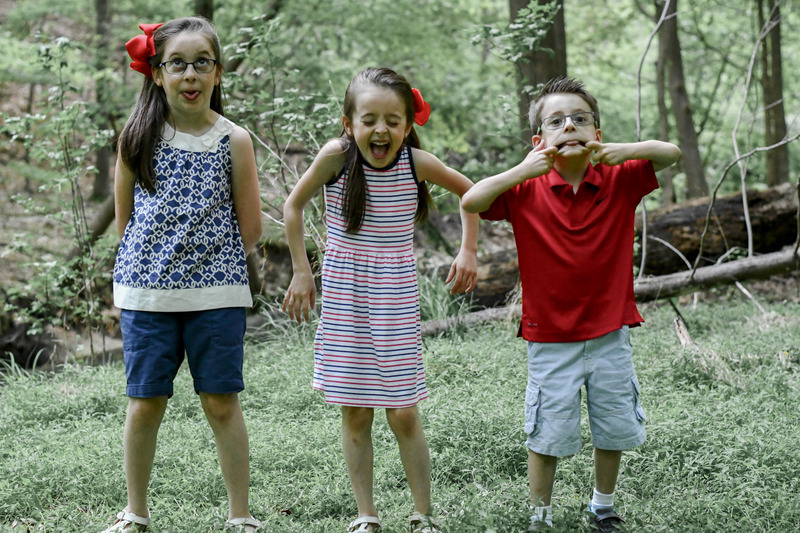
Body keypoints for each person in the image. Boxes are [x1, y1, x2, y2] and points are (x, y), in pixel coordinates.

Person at [461, 76, 680, 532]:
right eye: (556, 121)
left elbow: (670, 153)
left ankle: (603, 506)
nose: (569, 127)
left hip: (609, 331)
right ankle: (540, 517)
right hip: (550, 336)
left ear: (596, 132)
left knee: (612, 426)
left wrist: (625, 150)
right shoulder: (525, 188)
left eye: (580, 119)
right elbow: (472, 199)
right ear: (538, 140)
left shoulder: (620, 178)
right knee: (548, 432)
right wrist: (523, 170)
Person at [282, 67, 478, 533]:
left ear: (407, 126)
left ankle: (422, 514)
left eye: (393, 120)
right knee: (356, 411)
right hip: (346, 296)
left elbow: (471, 192)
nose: (381, 130)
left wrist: (468, 250)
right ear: (349, 122)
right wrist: (302, 271)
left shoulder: (416, 163)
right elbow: (293, 206)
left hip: (394, 297)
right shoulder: (336, 157)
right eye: (369, 119)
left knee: (403, 412)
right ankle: (366, 515)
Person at [104, 17, 263, 533]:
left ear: (218, 73)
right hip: (147, 295)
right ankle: (135, 512)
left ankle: (240, 515)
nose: (190, 75)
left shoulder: (233, 139)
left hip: (216, 293)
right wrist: (154, 265)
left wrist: (208, 260)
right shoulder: (136, 138)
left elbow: (252, 227)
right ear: (157, 73)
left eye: (201, 63)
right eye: (177, 64)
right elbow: (126, 223)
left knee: (221, 402)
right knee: (145, 402)